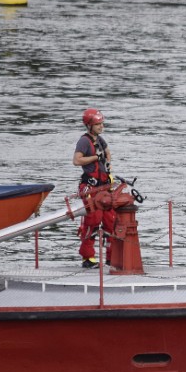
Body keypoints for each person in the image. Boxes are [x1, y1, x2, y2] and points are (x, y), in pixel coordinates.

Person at [73, 108, 115, 268]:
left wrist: (108, 168)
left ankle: (111, 257)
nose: (101, 126)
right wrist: (95, 158)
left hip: (104, 187)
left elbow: (108, 154)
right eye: (98, 124)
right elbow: (76, 161)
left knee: (111, 222)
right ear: (89, 125)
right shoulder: (84, 141)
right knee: (93, 221)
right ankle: (88, 258)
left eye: (102, 123)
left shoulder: (101, 140)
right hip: (90, 188)